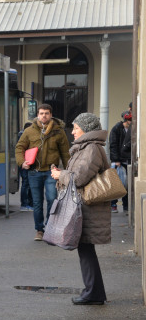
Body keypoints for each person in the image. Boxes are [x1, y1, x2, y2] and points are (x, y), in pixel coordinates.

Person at [51, 112, 110, 306]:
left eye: (76, 127)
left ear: (86, 129)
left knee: (86, 249)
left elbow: (79, 178)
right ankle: (94, 292)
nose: (73, 131)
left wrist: (61, 175)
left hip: (87, 208)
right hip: (84, 207)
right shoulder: (86, 147)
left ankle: (93, 293)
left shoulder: (91, 148)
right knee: (85, 249)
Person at [15, 103, 70, 241]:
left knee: (52, 199)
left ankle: (50, 227)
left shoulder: (58, 131)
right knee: (37, 202)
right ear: (37, 115)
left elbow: (65, 153)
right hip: (34, 172)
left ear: (51, 115)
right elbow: (19, 147)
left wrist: (69, 171)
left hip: (52, 171)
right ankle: (39, 230)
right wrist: (22, 162)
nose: (43, 116)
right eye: (41, 113)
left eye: (46, 113)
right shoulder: (29, 131)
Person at [109, 112, 131, 213]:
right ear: (125, 120)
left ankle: (125, 205)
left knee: (126, 184)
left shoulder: (131, 129)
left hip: (127, 159)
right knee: (116, 184)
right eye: (129, 120)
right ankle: (113, 204)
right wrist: (116, 160)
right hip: (118, 160)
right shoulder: (116, 129)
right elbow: (113, 144)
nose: (130, 122)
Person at [18, 122, 34, 211]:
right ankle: (25, 204)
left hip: (28, 162)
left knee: (28, 183)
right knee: (26, 183)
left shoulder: (23, 135)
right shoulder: (23, 136)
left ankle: (29, 204)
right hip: (25, 162)